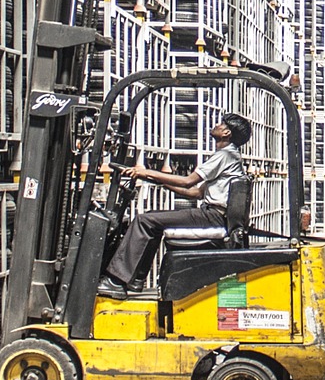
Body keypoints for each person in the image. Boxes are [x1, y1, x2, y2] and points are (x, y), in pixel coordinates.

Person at [99, 113, 251, 295]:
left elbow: (188, 182)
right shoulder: (229, 156)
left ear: (226, 132)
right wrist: (159, 182)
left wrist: (147, 172)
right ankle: (135, 280)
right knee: (152, 221)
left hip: (212, 216)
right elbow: (196, 193)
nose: (216, 125)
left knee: (143, 220)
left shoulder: (225, 155)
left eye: (220, 124)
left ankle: (116, 281)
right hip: (214, 214)